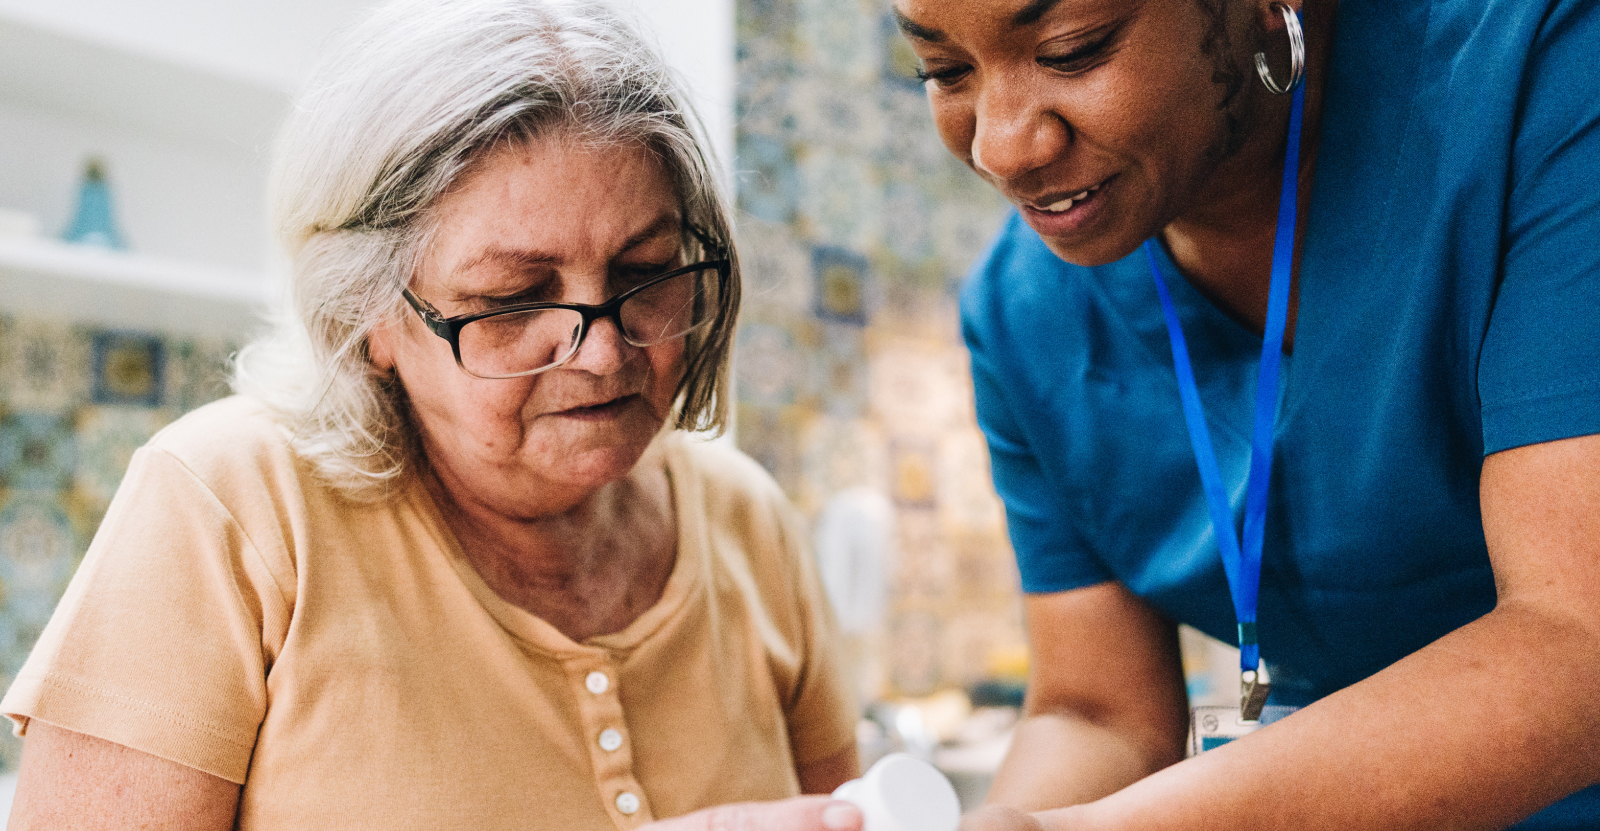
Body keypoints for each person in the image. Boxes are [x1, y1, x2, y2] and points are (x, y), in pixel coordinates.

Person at [0, 1, 863, 827]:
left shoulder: (748, 519)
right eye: (516, 296)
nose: (604, 351)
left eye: (646, 272)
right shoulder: (229, 507)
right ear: (369, 311)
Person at [887, 0, 1600, 829]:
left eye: (1073, 51)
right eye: (944, 70)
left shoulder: (1539, 76)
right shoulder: (1021, 316)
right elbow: (1098, 712)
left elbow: (1575, 638)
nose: (1002, 147)